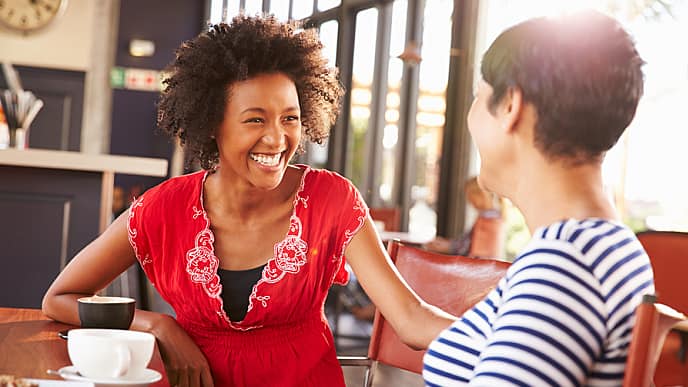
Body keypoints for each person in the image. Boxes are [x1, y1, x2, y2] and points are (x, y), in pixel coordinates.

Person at [42, 15, 456, 387]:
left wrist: (509, 337)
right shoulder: (161, 209)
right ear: (211, 125)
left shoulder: (333, 200)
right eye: (255, 119)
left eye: (289, 118)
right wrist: (157, 326)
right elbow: (59, 299)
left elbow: (411, 317)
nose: (277, 139)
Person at [423, 11, 655, 386]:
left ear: (511, 105)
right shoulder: (607, 245)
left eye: (477, 97)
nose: (470, 117)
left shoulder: (565, 264)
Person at [424, 176, 505, 258]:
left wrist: (448, 246)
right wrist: (448, 244)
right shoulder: (493, 216)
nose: (470, 202)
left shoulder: (488, 219)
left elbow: (469, 246)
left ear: (480, 195)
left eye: (471, 197)